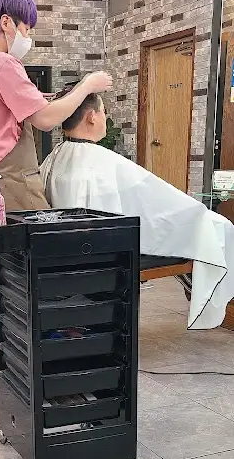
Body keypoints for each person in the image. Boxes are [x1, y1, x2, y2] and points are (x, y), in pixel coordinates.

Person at [0, 0, 112, 370]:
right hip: (11, 182)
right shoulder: (1, 63)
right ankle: (21, 350)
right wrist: (87, 86)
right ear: (6, 22)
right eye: (26, 27)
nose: (27, 36)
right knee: (26, 269)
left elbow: (19, 108)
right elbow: (43, 119)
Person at [40, 87, 234, 331]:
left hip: (72, 250)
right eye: (103, 111)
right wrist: (202, 215)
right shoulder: (104, 163)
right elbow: (164, 204)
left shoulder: (54, 157)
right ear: (91, 117)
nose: (104, 117)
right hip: (107, 254)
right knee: (218, 229)